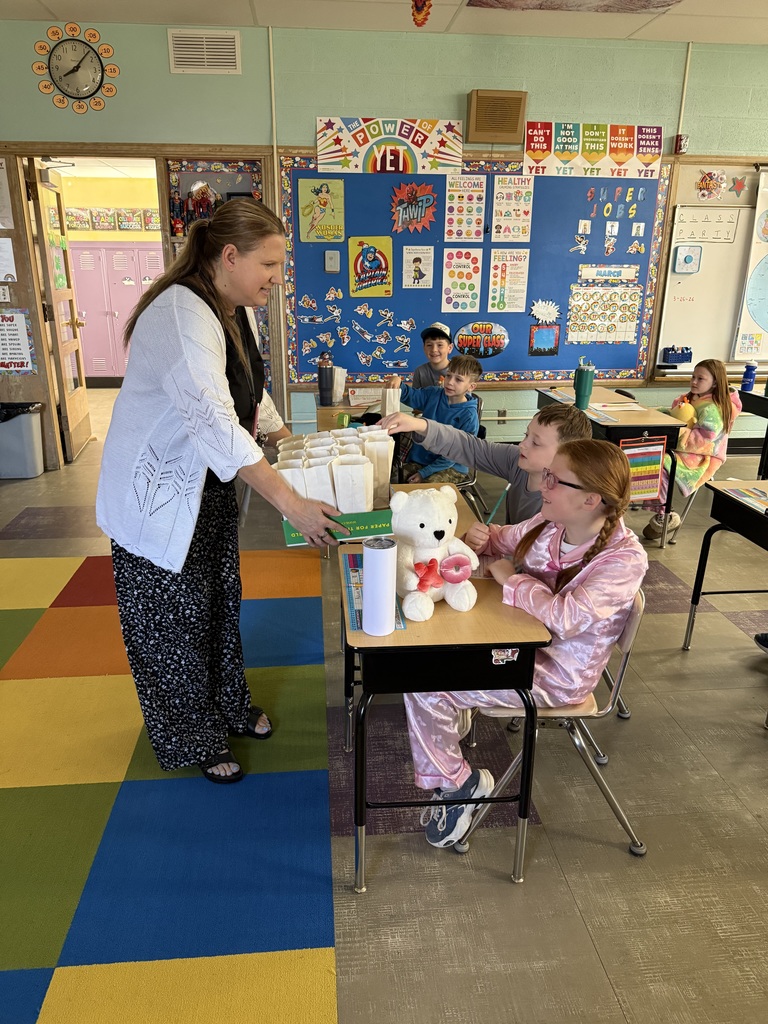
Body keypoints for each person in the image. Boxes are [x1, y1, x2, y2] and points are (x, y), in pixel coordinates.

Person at [96, 199, 346, 785]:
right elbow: (213, 420)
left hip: (205, 489)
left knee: (215, 603)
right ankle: (193, 737)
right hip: (156, 497)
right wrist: (292, 503)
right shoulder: (182, 315)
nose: (278, 278)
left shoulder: (234, 308)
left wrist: (290, 444)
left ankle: (228, 705)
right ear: (229, 257)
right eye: (271, 264)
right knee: (171, 623)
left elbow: (247, 392)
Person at [403, 439, 647, 849]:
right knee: (433, 651)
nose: (542, 484)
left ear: (590, 499)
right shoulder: (553, 524)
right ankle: (451, 730)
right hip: (516, 645)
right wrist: (481, 536)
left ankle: (458, 785)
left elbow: (567, 621)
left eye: (554, 478)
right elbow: (504, 539)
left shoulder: (623, 560)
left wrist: (511, 579)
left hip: (557, 675)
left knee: (425, 681)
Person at [379, 403, 592, 525]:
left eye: (535, 442)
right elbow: (471, 448)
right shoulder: (517, 460)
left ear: (567, 457)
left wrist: (497, 540)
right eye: (526, 435)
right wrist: (419, 425)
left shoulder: (568, 507)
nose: (522, 445)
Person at [643, 359, 741, 538]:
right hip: (683, 448)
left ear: (715, 383)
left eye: (700, 379)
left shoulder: (714, 409)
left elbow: (702, 441)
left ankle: (666, 514)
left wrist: (677, 433)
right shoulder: (692, 398)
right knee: (646, 453)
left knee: (660, 464)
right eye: (693, 377)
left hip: (701, 456)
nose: (694, 381)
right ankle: (658, 508)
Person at [384, 354, 481, 483]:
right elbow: (411, 395)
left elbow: (455, 454)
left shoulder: (469, 416)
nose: (450, 382)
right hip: (422, 460)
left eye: (458, 379)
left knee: (427, 490)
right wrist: (398, 382)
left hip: (451, 466)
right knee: (391, 479)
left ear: (471, 387)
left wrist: (424, 473)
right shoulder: (434, 394)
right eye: (448, 375)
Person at [412, 322, 454, 389]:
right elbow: (415, 397)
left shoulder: (459, 370)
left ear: (450, 348)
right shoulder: (420, 372)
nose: (434, 350)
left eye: (440, 345)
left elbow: (465, 398)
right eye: (429, 345)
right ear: (424, 347)